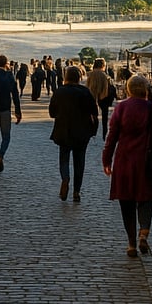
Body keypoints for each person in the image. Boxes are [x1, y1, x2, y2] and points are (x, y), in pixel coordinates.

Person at [102, 75, 152, 258]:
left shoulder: (121, 107)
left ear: (129, 89)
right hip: (145, 161)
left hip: (124, 159)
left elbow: (112, 137)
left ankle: (131, 243)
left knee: (126, 201)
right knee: (145, 198)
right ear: (145, 89)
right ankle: (144, 232)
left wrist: (106, 160)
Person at [48, 65, 99, 202]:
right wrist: (94, 131)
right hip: (82, 132)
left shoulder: (59, 92)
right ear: (79, 77)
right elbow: (95, 113)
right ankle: (77, 191)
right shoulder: (85, 92)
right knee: (79, 161)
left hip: (64, 131)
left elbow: (52, 113)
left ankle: (65, 178)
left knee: (64, 159)